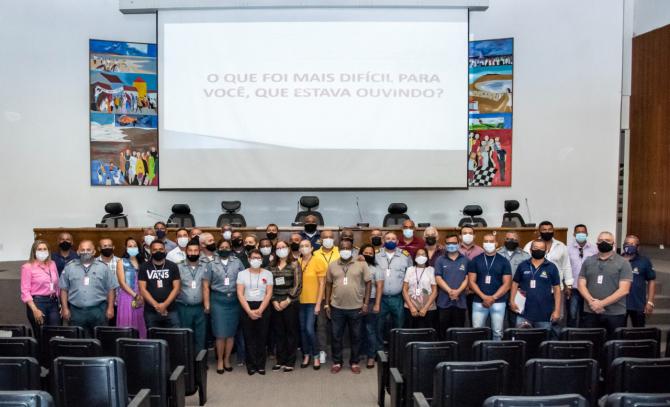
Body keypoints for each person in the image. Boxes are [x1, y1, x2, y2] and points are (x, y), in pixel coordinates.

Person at [324, 240, 371, 374]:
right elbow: (328, 284)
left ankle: (354, 362)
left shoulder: (361, 263)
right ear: (339, 250)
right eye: (343, 248)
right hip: (336, 307)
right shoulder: (332, 265)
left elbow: (368, 283)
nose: (345, 250)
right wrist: (327, 303)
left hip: (356, 307)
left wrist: (366, 303)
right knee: (335, 336)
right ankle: (337, 362)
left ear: (352, 250)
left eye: (348, 248)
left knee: (356, 336)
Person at [578, 232, 632, 337]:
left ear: (613, 244)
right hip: (591, 311)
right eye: (600, 240)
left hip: (615, 313)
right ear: (596, 243)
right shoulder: (588, 261)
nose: (603, 242)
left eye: (607, 240)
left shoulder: (623, 263)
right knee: (592, 345)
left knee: (612, 346)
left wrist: (601, 304)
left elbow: (624, 290)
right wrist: (592, 302)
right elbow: (581, 284)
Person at [203, 239, 245, 373]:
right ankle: (220, 360)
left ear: (231, 248)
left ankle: (227, 359)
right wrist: (207, 304)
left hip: (234, 300)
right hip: (218, 300)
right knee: (220, 334)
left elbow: (243, 279)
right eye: (222, 247)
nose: (224, 249)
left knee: (231, 333)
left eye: (227, 247)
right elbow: (205, 285)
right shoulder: (211, 264)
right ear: (217, 248)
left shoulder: (237, 262)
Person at [59, 240, 117, 337]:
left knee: (100, 340)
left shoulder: (103, 267)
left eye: (88, 250)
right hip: (76, 312)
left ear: (94, 252)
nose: (85, 252)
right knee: (78, 342)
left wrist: (110, 308)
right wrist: (65, 308)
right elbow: (64, 289)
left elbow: (111, 289)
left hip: (99, 310)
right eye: (83, 250)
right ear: (78, 252)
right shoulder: (69, 267)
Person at [509, 239, 562, 333]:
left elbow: (557, 289)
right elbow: (515, 283)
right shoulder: (523, 265)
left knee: (543, 341)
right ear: (530, 250)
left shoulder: (551, 267)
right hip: (523, 312)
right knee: (522, 340)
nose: (538, 250)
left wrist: (557, 310)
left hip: (544, 313)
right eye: (535, 248)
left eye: (541, 248)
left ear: (546, 251)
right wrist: (512, 301)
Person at [467, 234, 512, 340]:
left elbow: (507, 284)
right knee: (477, 331)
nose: (488, 243)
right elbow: (471, 282)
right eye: (486, 241)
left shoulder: (504, 261)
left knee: (497, 332)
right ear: (482, 244)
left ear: (496, 243)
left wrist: (493, 298)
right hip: (479, 301)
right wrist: (484, 297)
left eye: (491, 241)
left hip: (499, 301)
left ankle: (495, 353)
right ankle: (479, 354)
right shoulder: (475, 260)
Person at [237, 249, 274, 375]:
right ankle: (251, 365)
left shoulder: (268, 274)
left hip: (263, 306)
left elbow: (269, 293)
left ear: (262, 259)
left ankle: (261, 365)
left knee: (262, 337)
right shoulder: (242, 274)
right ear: (248, 259)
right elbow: (240, 294)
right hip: (246, 306)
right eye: (253, 258)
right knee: (249, 337)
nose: (256, 260)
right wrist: (249, 311)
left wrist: (260, 309)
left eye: (258, 258)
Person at [523, 221, 574, 311]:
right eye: (544, 230)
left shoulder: (561, 246)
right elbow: (524, 266)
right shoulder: (529, 246)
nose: (547, 232)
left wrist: (569, 285)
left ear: (553, 231)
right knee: (537, 316)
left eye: (550, 229)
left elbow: (566, 266)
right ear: (539, 231)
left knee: (557, 316)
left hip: (557, 288)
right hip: (535, 289)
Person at [269, 240, 302, 372]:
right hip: (275, 303)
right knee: (279, 333)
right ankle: (280, 360)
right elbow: (268, 285)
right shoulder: (271, 265)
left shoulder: (294, 264)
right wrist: (274, 301)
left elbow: (298, 285)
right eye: (278, 247)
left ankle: (290, 361)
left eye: (283, 247)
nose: (281, 249)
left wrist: (288, 300)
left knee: (291, 333)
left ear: (288, 248)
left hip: (290, 303)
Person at [376, 232, 412, 341]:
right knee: (378, 326)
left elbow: (411, 274)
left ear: (397, 241)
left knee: (399, 326)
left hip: (398, 298)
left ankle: (398, 349)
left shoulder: (405, 256)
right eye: (388, 239)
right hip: (381, 298)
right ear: (383, 241)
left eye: (393, 239)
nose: (390, 241)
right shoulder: (376, 255)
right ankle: (379, 350)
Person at [297, 239, 327, 370]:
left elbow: (322, 284)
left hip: (313, 301)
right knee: (303, 330)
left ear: (311, 248)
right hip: (299, 301)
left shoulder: (318, 260)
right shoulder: (297, 262)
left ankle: (315, 355)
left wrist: (318, 304)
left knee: (310, 329)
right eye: (301, 246)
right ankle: (306, 354)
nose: (304, 248)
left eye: (306, 246)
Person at [21, 240, 60, 338]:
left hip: (53, 302)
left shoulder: (52, 264)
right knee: (41, 335)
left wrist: (61, 304)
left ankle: (54, 354)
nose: (42, 251)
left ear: (48, 251)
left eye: (44, 249)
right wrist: (35, 310)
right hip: (38, 303)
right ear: (34, 252)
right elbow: (25, 291)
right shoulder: (27, 267)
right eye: (39, 249)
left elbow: (57, 284)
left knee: (56, 333)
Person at [138, 240, 181, 328]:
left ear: (165, 250)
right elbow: (142, 289)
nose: (158, 251)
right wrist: (157, 306)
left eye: (161, 249)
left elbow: (176, 288)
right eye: (155, 249)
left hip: (171, 309)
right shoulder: (144, 267)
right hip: (151, 310)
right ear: (151, 251)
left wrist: (165, 305)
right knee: (153, 339)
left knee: (175, 338)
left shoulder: (172, 266)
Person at [434, 234, 469, 339]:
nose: (451, 245)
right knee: (443, 333)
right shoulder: (440, 260)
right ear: (445, 245)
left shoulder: (465, 260)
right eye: (449, 243)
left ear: (459, 244)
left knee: (458, 333)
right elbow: (438, 278)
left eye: (454, 243)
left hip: (460, 301)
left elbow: (467, 278)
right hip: (443, 302)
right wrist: (450, 291)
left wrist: (458, 291)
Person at [177, 240, 208, 352]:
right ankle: (188, 363)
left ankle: (200, 364)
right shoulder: (179, 266)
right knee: (186, 336)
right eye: (190, 250)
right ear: (186, 251)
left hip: (200, 307)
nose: (193, 253)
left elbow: (207, 286)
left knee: (201, 336)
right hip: (184, 307)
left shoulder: (206, 266)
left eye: (196, 250)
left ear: (199, 252)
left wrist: (207, 305)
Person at [567, 224, 598, 327]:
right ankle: (570, 337)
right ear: (574, 234)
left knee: (586, 315)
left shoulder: (594, 249)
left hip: (589, 288)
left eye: (583, 232)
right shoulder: (568, 249)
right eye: (578, 232)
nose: (581, 234)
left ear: (587, 234)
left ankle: (583, 336)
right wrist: (567, 285)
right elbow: (565, 268)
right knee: (572, 314)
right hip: (573, 287)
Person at [622, 234, 656, 327]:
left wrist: (650, 302)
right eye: (627, 243)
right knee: (618, 333)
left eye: (633, 244)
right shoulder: (617, 260)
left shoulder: (645, 261)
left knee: (638, 332)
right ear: (623, 245)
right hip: (619, 304)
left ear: (638, 247)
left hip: (638, 304)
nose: (629, 246)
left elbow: (651, 281)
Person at [497, 231, 530, 327]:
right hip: (500, 290)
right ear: (504, 240)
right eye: (509, 239)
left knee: (514, 318)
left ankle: (513, 339)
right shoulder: (497, 253)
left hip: (517, 291)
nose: (511, 241)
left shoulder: (525, 256)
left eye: (514, 239)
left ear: (518, 241)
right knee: (499, 318)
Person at [115, 237, 146, 338]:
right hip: (127, 296)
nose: (132, 248)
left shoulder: (143, 263)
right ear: (126, 248)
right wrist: (136, 295)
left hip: (142, 297)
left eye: (134, 246)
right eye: (130, 246)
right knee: (127, 324)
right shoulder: (121, 262)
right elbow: (122, 283)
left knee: (140, 324)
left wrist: (141, 296)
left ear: (138, 248)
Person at [359, 244, 384, 368]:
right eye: (365, 252)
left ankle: (371, 356)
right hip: (356, 301)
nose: (368, 255)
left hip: (372, 301)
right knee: (358, 329)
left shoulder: (377, 268)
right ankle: (361, 353)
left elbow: (380, 287)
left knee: (370, 330)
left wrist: (377, 304)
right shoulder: (355, 265)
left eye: (370, 253)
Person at [402, 248, 438, 329]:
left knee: (427, 333)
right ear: (415, 257)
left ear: (427, 257)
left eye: (423, 254)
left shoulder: (431, 270)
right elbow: (404, 289)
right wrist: (411, 307)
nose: (421, 256)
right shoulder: (410, 269)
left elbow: (435, 291)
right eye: (418, 254)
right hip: (411, 306)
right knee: (411, 332)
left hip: (428, 307)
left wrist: (425, 308)